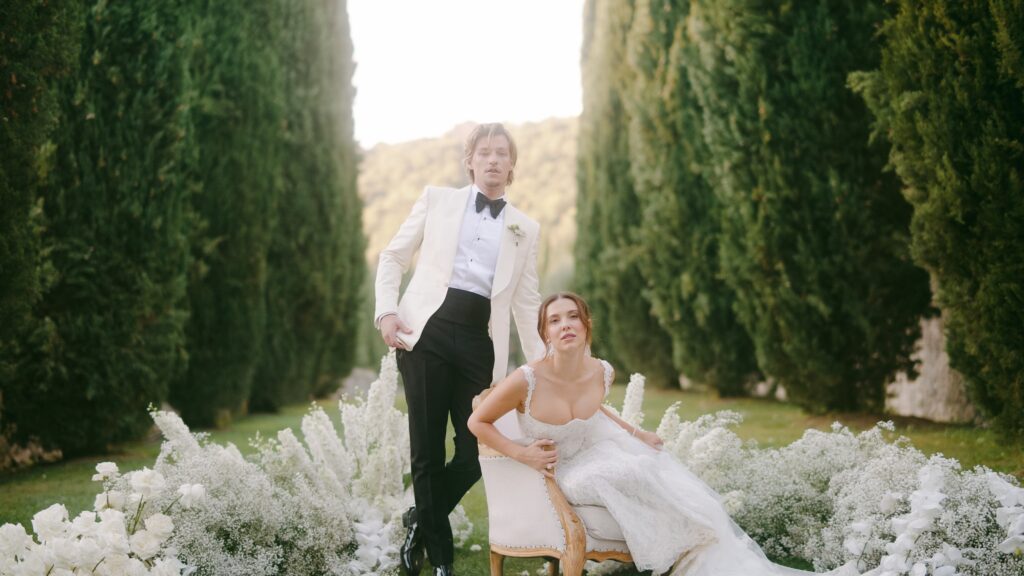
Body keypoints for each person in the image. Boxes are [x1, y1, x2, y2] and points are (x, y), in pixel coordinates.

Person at [468, 292, 862, 576]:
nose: (565, 324)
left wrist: (637, 433)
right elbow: (477, 423)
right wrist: (522, 455)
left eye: (572, 316)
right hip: (557, 468)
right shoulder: (527, 379)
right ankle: (665, 551)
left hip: (593, 450)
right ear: (545, 334)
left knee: (650, 465)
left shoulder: (601, 372)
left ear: (586, 324)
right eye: (554, 320)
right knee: (619, 473)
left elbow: (594, 408)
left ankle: (691, 551)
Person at [374, 123, 546, 576]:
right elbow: (392, 257)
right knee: (426, 450)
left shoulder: (525, 229)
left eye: (501, 153)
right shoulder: (437, 199)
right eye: (484, 152)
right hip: (426, 331)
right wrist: (386, 312)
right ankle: (442, 561)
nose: (492, 160)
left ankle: (419, 520)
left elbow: (527, 304)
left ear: (511, 165)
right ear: (469, 160)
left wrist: (541, 368)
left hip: (479, 344)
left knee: (474, 453)